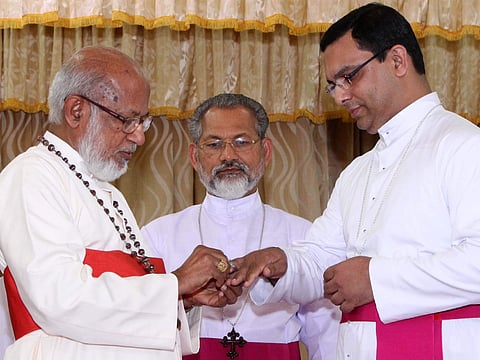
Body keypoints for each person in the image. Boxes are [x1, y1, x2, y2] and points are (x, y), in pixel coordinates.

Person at [229, 3, 480, 360]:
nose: (342, 95)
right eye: (333, 85)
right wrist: (280, 264)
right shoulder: (359, 170)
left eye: (350, 76)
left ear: (396, 60)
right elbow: (323, 261)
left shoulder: (463, 145)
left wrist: (375, 279)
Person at [0, 46, 241, 360]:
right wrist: (175, 284)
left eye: (143, 122)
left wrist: (184, 298)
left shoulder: (105, 190)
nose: (139, 137)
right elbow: (59, 300)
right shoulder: (31, 176)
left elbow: (118, 311)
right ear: (76, 111)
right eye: (128, 120)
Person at [141, 93, 340, 360]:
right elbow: (137, 329)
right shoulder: (157, 236)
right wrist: (185, 300)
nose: (228, 155)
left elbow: (327, 341)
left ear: (266, 151)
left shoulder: (304, 236)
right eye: (213, 144)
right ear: (194, 156)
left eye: (242, 142)